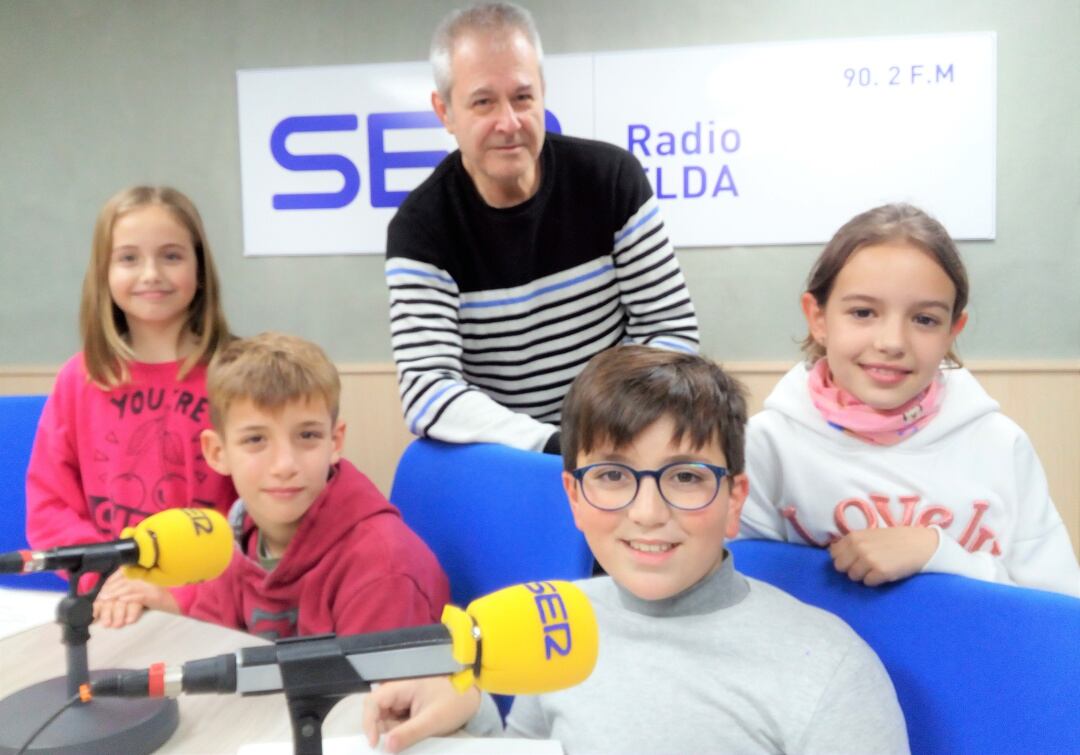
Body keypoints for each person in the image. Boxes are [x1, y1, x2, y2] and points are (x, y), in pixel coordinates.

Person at [362, 345, 909, 754]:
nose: (648, 512)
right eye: (612, 476)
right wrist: (469, 720)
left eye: (687, 478)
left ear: (734, 498)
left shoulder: (831, 671)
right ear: (574, 496)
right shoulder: (553, 621)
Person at [386, 2, 699, 454]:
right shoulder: (419, 231)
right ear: (445, 112)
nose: (508, 122)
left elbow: (671, 332)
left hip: (621, 446)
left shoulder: (612, 179)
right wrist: (553, 446)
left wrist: (603, 440)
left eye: (522, 96)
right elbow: (426, 392)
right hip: (507, 462)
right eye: (483, 102)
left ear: (543, 92)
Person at [739, 203, 1080, 597]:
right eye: (863, 312)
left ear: (953, 330)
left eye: (925, 320)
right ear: (817, 318)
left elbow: (1059, 606)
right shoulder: (767, 445)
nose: (892, 343)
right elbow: (745, 594)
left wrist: (939, 554)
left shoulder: (1001, 445)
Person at [126, 332, 450, 638]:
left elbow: (378, 697)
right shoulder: (236, 538)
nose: (284, 466)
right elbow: (214, 647)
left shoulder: (384, 569)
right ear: (217, 452)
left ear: (334, 441)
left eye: (307, 436)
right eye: (256, 439)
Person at [24, 185, 236, 625]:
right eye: (129, 258)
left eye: (172, 256)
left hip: (213, 609)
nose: (151, 273)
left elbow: (267, 512)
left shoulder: (238, 374)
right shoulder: (78, 379)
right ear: (104, 272)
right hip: (111, 605)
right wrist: (110, 576)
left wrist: (182, 592)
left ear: (200, 269)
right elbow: (49, 505)